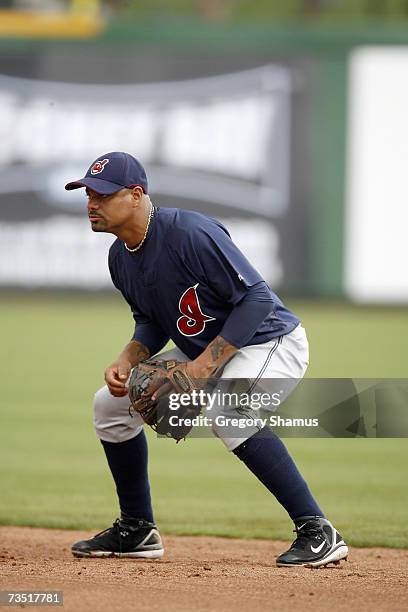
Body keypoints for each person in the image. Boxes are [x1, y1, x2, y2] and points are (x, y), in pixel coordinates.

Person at [64, 152, 348, 567]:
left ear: (137, 194)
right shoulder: (120, 256)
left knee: (230, 412)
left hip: (270, 341)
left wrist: (201, 368)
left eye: (103, 194)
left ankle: (318, 529)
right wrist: (129, 357)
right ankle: (138, 529)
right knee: (109, 406)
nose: (92, 202)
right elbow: (151, 319)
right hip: (211, 348)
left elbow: (256, 298)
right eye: (88, 193)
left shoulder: (189, 233)